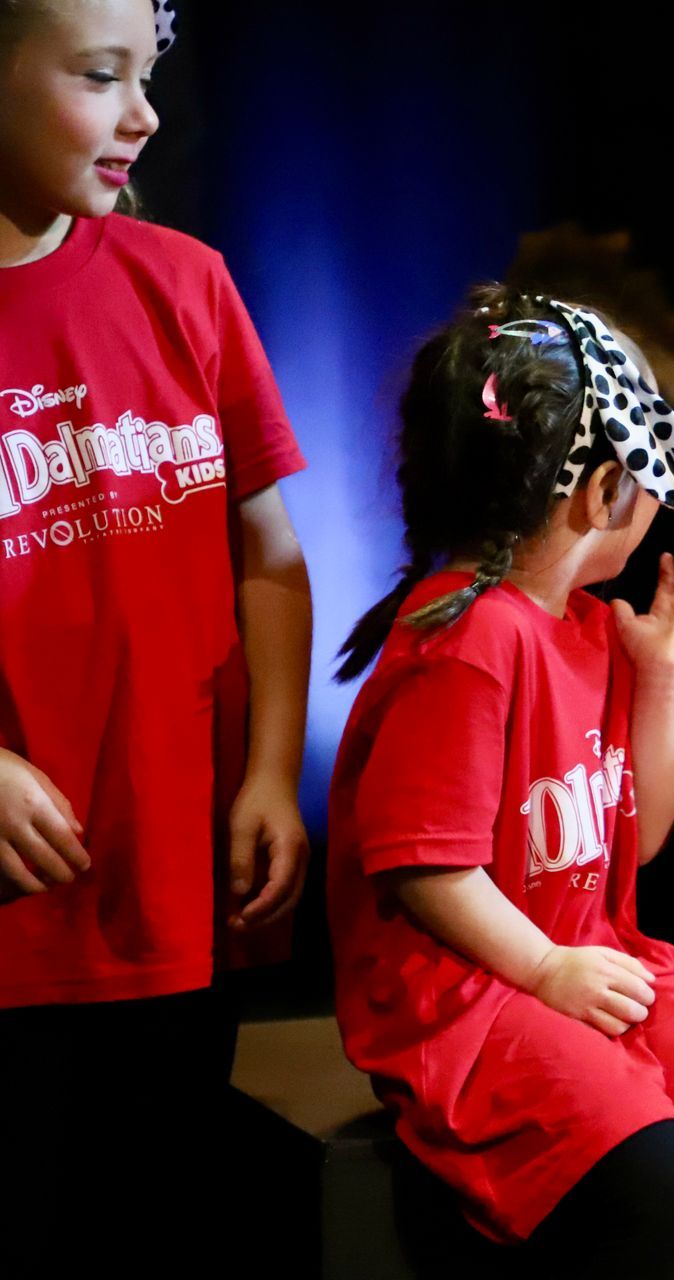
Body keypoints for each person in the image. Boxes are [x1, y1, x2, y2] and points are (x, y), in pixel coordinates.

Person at [328, 286, 674, 1278]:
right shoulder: (469, 636)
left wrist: (666, 672)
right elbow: (429, 870)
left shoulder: (589, 627)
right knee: (665, 1197)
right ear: (600, 492)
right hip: (473, 991)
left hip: (586, 951)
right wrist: (546, 967)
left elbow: (635, 838)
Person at [0, 0, 311, 1267]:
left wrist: (272, 770)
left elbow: (272, 557)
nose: (144, 113)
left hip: (180, 896)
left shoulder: (186, 281)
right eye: (98, 74)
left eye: (148, 73)